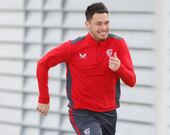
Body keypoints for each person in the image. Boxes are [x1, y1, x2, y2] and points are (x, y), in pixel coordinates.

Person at [36, 2, 136, 135]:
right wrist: (44, 98)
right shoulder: (73, 47)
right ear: (87, 24)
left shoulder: (118, 44)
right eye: (98, 24)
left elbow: (131, 81)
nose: (104, 28)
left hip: (109, 114)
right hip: (82, 113)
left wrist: (119, 68)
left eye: (106, 23)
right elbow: (43, 64)